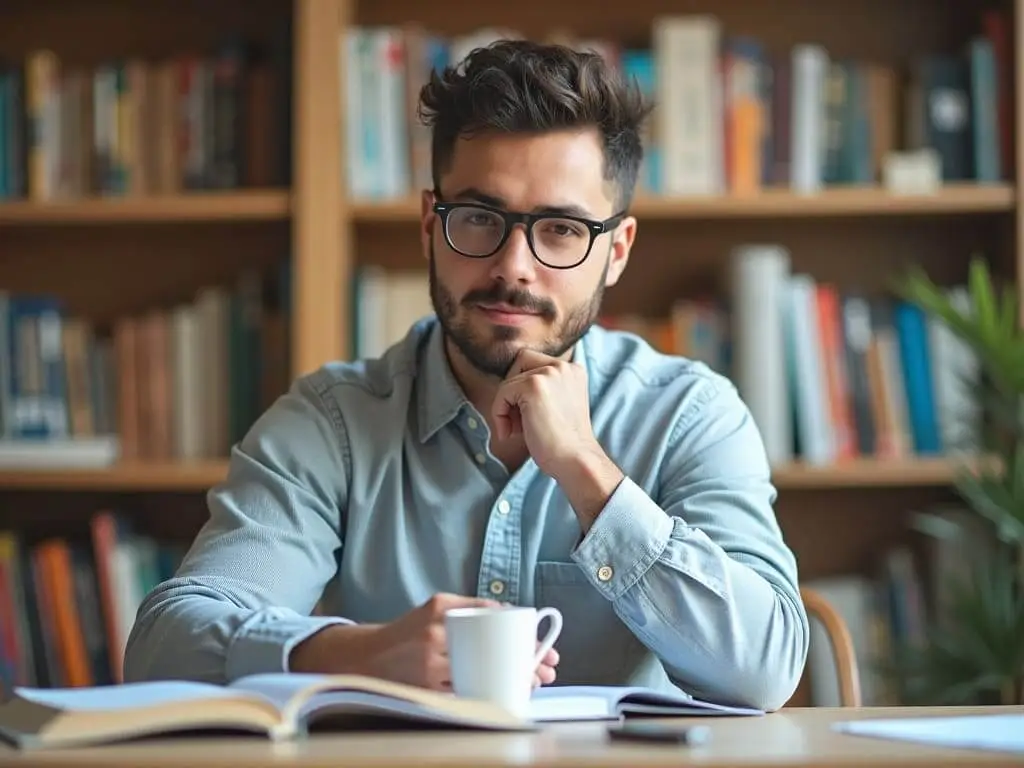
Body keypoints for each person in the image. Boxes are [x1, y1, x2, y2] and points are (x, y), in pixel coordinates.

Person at [123, 38, 808, 712]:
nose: (513, 265)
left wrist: (585, 469)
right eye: (480, 218)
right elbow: (163, 646)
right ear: (430, 224)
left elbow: (763, 671)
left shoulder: (689, 413)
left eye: (562, 230)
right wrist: (354, 655)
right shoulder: (331, 422)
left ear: (616, 251)